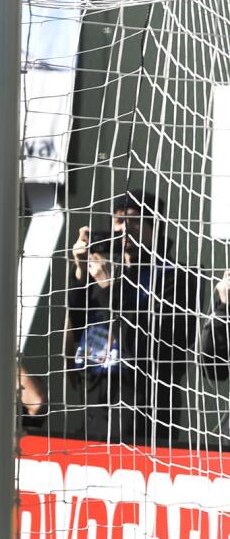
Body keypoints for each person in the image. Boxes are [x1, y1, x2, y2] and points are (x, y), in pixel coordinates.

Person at [64, 190, 197, 446]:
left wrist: (110, 288)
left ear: (154, 225)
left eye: (134, 220)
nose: (125, 229)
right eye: (118, 220)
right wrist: (80, 272)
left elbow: (150, 347)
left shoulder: (177, 277)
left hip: (143, 408)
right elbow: (74, 330)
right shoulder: (107, 271)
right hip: (96, 402)